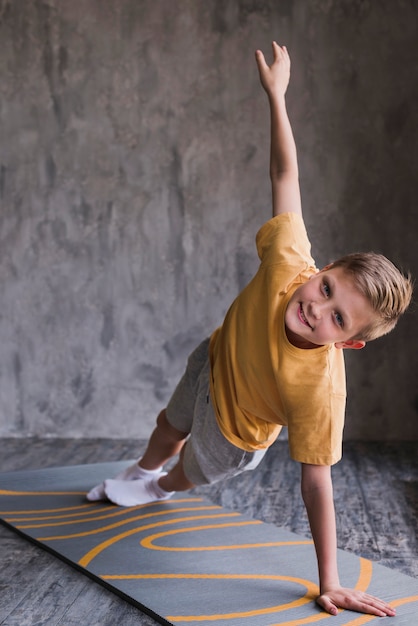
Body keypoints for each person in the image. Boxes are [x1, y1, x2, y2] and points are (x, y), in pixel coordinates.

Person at [87, 43, 412, 617]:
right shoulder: (291, 261)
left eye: (337, 319)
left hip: (235, 431)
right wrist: (277, 96)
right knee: (167, 424)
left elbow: (317, 484)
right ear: (323, 268)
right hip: (213, 361)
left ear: (349, 343)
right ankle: (141, 471)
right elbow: (285, 172)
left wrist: (329, 580)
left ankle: (158, 488)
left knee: (186, 469)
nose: (318, 307)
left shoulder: (321, 390)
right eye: (328, 288)